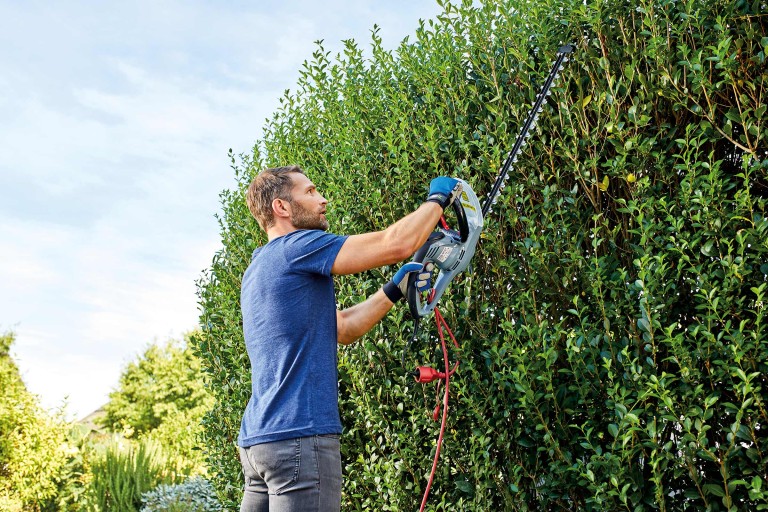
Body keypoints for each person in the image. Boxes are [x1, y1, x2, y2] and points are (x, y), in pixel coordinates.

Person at [238, 165, 462, 512]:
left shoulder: (259, 267)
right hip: (300, 437)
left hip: (260, 444)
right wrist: (437, 200)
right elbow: (397, 243)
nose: (322, 199)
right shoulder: (296, 246)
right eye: (310, 192)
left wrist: (392, 290)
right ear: (281, 207)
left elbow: (342, 328)